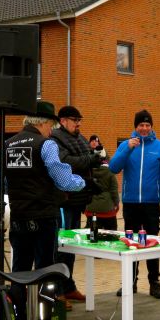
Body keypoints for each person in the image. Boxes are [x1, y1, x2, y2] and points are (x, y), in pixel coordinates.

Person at [0, 100, 85, 320]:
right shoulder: (45, 144)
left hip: (18, 218)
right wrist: (81, 182)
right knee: (47, 274)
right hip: (44, 218)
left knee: (19, 274)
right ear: (45, 123)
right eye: (51, 126)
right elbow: (63, 179)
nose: (51, 131)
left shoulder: (8, 144)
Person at [109, 109, 160, 299]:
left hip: (151, 204)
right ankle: (130, 282)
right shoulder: (126, 145)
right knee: (131, 244)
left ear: (151, 127)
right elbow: (113, 167)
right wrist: (127, 148)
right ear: (135, 127)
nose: (144, 128)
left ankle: (155, 282)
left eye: (147, 125)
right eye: (141, 125)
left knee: (152, 243)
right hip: (130, 203)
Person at [51, 106, 102, 303]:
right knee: (60, 247)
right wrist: (90, 159)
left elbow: (86, 158)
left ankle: (68, 286)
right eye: (75, 120)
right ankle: (57, 291)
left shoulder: (79, 137)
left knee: (71, 246)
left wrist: (92, 178)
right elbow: (66, 162)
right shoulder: (55, 139)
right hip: (64, 200)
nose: (78, 123)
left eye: (79, 120)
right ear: (63, 121)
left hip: (78, 199)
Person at [83, 155, 119, 230]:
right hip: (107, 208)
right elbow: (114, 190)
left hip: (91, 206)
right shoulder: (110, 172)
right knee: (111, 232)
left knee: (92, 233)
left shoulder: (88, 171)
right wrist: (116, 203)